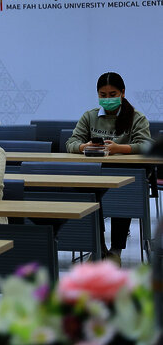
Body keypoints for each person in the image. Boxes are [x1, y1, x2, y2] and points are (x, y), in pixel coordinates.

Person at [64, 71, 153, 264]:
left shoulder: (136, 117)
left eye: (112, 94)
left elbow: (147, 145)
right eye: (102, 95)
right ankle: (99, 248)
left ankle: (115, 251)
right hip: (95, 173)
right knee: (87, 194)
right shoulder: (90, 116)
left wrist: (118, 148)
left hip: (126, 174)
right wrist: (84, 146)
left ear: (122, 93)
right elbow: (71, 143)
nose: (107, 99)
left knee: (122, 192)